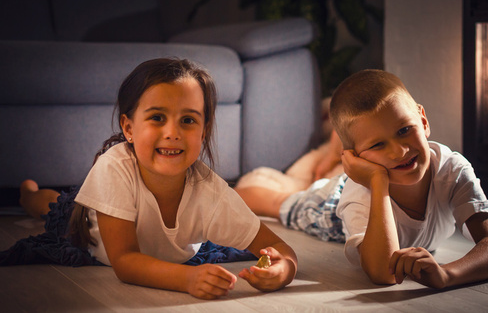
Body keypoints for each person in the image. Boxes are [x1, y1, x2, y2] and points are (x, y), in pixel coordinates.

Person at [14, 58, 297, 299]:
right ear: (128, 128)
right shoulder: (114, 167)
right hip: (88, 225)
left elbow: (282, 249)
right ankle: (28, 192)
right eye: (157, 117)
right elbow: (124, 262)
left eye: (188, 120)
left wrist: (282, 271)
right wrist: (187, 279)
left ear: (204, 131)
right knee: (53, 205)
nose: (172, 132)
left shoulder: (212, 192)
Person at [235, 69, 488, 288]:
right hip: (329, 209)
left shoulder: (453, 169)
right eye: (378, 145)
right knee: (282, 203)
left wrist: (447, 274)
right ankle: (239, 191)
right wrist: (377, 182)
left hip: (364, 179)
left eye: (404, 130)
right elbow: (383, 273)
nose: (400, 151)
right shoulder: (361, 193)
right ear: (355, 158)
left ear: (423, 121)